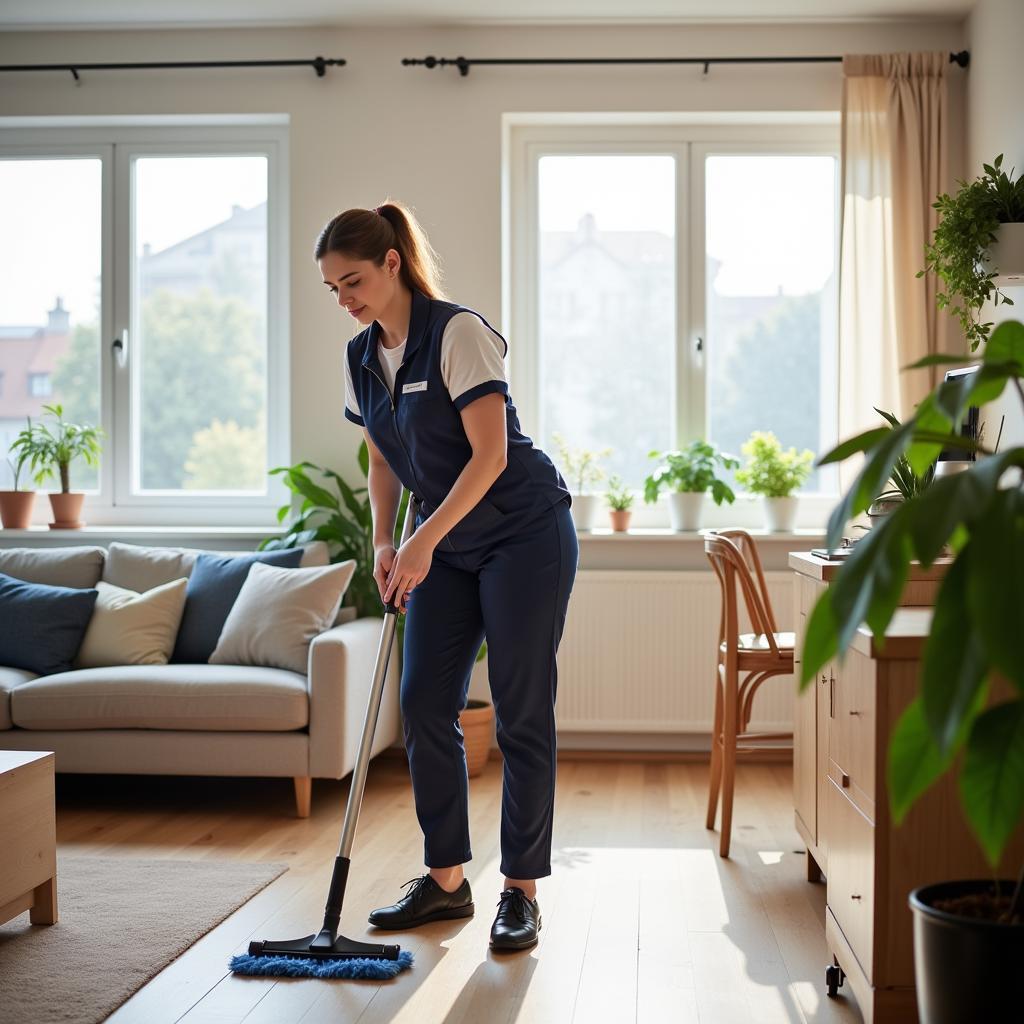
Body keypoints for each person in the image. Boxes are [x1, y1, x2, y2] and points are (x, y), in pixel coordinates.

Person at [316, 199, 578, 952]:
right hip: (445, 542)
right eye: (334, 288)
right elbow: (379, 458)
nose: (346, 300)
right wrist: (381, 541)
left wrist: (423, 540)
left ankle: (521, 892)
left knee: (523, 708)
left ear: (393, 262)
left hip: (523, 532)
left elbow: (490, 457)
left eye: (354, 280)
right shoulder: (362, 356)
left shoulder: (457, 332)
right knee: (425, 702)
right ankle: (445, 881)